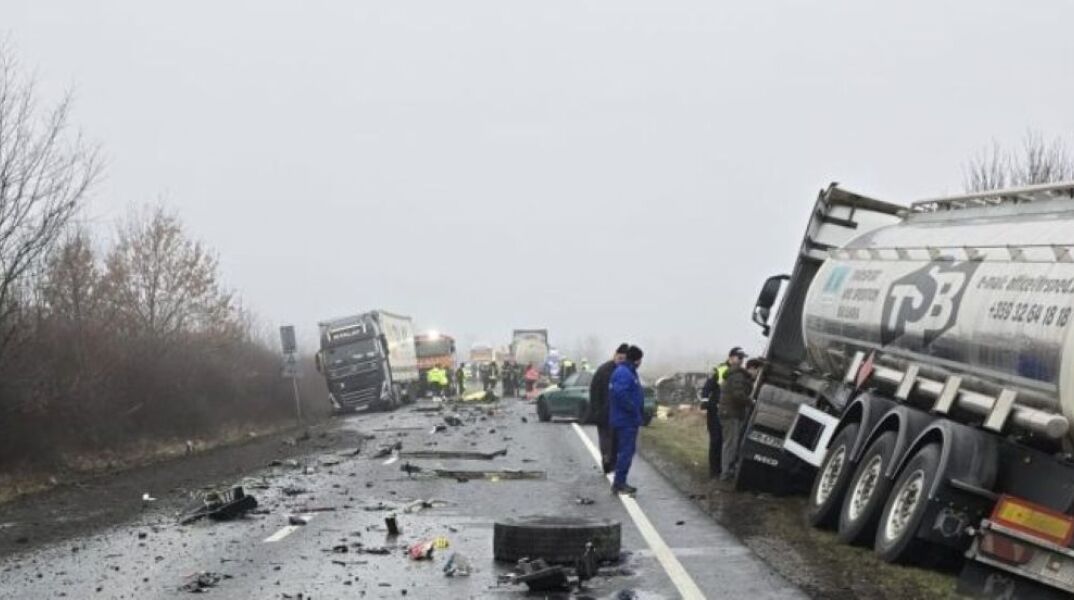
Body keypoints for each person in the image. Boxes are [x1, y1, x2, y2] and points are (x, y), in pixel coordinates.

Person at [700, 347, 740, 479]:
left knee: (725, 441)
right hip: (715, 410)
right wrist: (705, 401)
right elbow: (707, 387)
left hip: (727, 412)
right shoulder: (720, 369)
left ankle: (723, 469)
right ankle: (714, 471)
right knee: (716, 439)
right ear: (731, 357)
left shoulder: (739, 373)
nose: (741, 360)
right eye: (739, 357)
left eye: (742, 358)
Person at [719, 352, 760, 481]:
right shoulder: (738, 376)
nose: (758, 374)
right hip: (731, 413)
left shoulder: (740, 376)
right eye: (757, 371)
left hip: (731, 412)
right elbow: (738, 395)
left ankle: (727, 471)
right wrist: (751, 402)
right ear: (752, 369)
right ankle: (725, 473)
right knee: (730, 444)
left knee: (732, 443)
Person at [610, 345, 645, 495]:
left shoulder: (628, 371)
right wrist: (632, 408)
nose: (641, 362)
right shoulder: (625, 373)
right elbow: (620, 394)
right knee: (626, 452)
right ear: (636, 359)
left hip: (627, 419)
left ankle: (620, 482)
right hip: (625, 420)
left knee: (626, 451)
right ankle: (619, 483)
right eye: (640, 359)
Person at [589, 343, 629, 474]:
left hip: (619, 413)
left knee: (616, 439)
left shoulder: (626, 371)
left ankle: (612, 461)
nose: (621, 361)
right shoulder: (603, 370)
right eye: (620, 358)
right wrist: (595, 410)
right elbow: (594, 391)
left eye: (624, 359)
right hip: (604, 412)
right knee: (606, 438)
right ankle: (607, 460)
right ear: (615, 356)